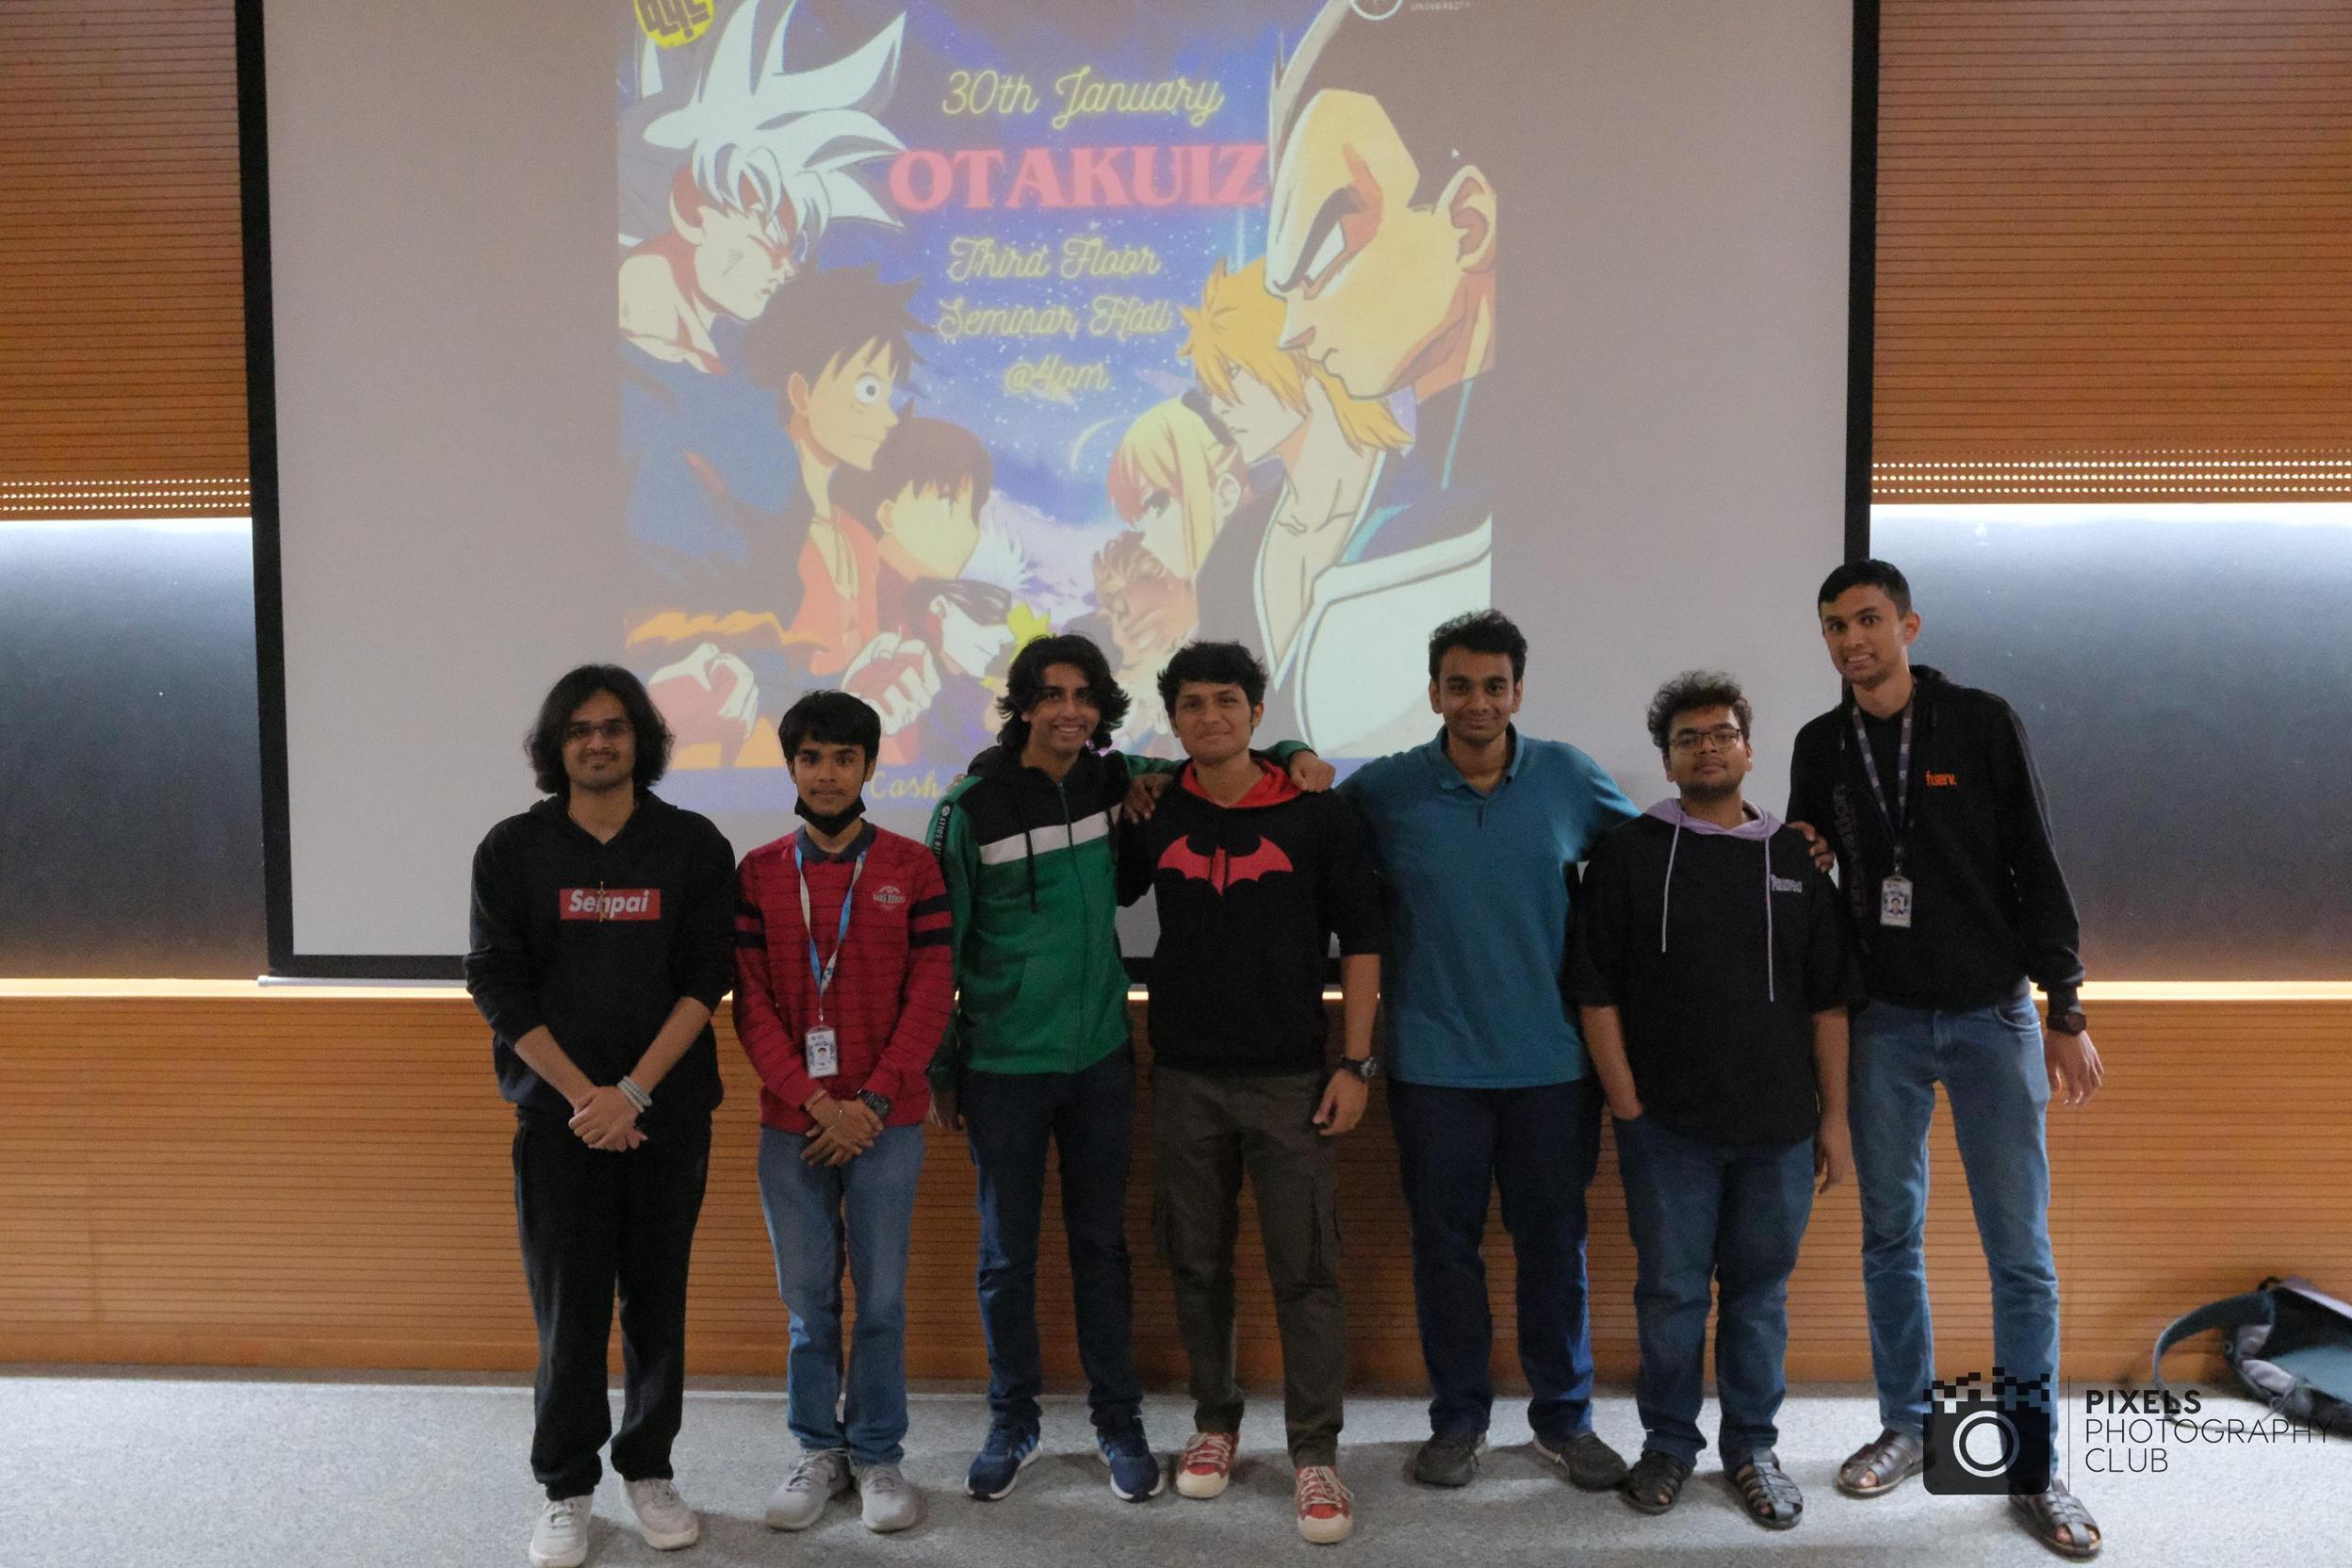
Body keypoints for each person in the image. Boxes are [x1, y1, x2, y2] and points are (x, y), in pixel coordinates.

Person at [923, 632, 1328, 1506]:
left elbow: (1216, 754)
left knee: (1103, 1250)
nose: (1069, 711)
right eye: (1051, 694)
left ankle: (1118, 1421)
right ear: (1023, 705)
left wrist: (1293, 749)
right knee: (1006, 1258)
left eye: (1084, 696)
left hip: (1101, 1056)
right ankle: (1012, 1421)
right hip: (1003, 1066)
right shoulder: (969, 809)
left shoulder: (1116, 781)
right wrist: (943, 1070)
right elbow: (939, 951)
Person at [1788, 559, 2105, 1560]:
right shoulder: (1821, 743)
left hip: (1990, 1014)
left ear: (1908, 626)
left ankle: (2030, 1462)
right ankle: (1906, 1425)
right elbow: (1812, 870)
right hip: (1881, 1019)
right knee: (1890, 1234)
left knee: (2020, 1251)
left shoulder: (1979, 721)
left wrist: (2065, 1005)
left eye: (1868, 619)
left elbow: (2034, 859)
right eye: (1835, 625)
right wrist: (1811, 852)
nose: (1852, 640)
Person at [1332, 611, 1637, 1490]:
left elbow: (1651, 864)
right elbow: (1301, 828)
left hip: (1555, 1068)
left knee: (1555, 1250)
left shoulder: (1568, 777)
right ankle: (1458, 1420)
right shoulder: (1385, 790)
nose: (1478, 702)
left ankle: (1563, 1421)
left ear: (1518, 692)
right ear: (1433, 693)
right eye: (1459, 686)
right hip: (1434, 1069)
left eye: (1494, 686)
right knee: (1445, 1253)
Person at [464, 665, 737, 1568]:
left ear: (640, 741)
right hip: (561, 1124)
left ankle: (649, 1469)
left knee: (657, 1304)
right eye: (579, 729)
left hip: (666, 1117)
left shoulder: (692, 844)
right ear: (557, 745)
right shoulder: (513, 848)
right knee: (569, 1313)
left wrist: (634, 1094)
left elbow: (706, 979)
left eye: (614, 727)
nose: (598, 742)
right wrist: (588, 1097)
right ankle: (566, 1488)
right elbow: (495, 984)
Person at [1571, 672, 1859, 1528]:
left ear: (1748, 749)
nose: (1707, 748)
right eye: (1688, 738)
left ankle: (1753, 1449)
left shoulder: (1796, 860)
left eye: (1722, 733)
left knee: (1760, 1298)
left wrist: (1836, 1117)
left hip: (1780, 1130)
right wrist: (1627, 1103)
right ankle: (1668, 1445)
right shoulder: (1628, 855)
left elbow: (1829, 1002)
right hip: (1667, 1131)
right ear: (1667, 761)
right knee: (1671, 1296)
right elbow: (1594, 990)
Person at [1116, 641, 1383, 1545]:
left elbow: (1364, 942)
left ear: (1257, 712)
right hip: (1186, 1074)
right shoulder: (1155, 810)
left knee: (1306, 1269)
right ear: (1174, 719)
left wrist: (1356, 1064)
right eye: (1192, 704)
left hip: (1291, 1078)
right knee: (1196, 1260)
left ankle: (1315, 1452)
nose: (1211, 716)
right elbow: (1114, 880)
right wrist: (1140, 786)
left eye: (1227, 700)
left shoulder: (1317, 813)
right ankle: (1215, 1420)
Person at [733, 690, 952, 1536]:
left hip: (885, 1124)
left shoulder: (912, 868)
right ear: (791, 766)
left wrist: (871, 1102)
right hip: (794, 1124)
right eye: (812, 757)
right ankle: (819, 1449)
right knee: (808, 1304)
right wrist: (818, 1102)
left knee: (883, 1300)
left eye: (845, 758)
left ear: (869, 766)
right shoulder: (758, 873)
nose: (827, 774)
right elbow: (751, 1006)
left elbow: (932, 993)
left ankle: (879, 1454)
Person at [1180, 259, 1419, 753]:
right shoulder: (1231, 556)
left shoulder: (1428, 507)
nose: (1219, 406)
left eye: (1233, 372)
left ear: (1302, 350)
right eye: (1212, 385)